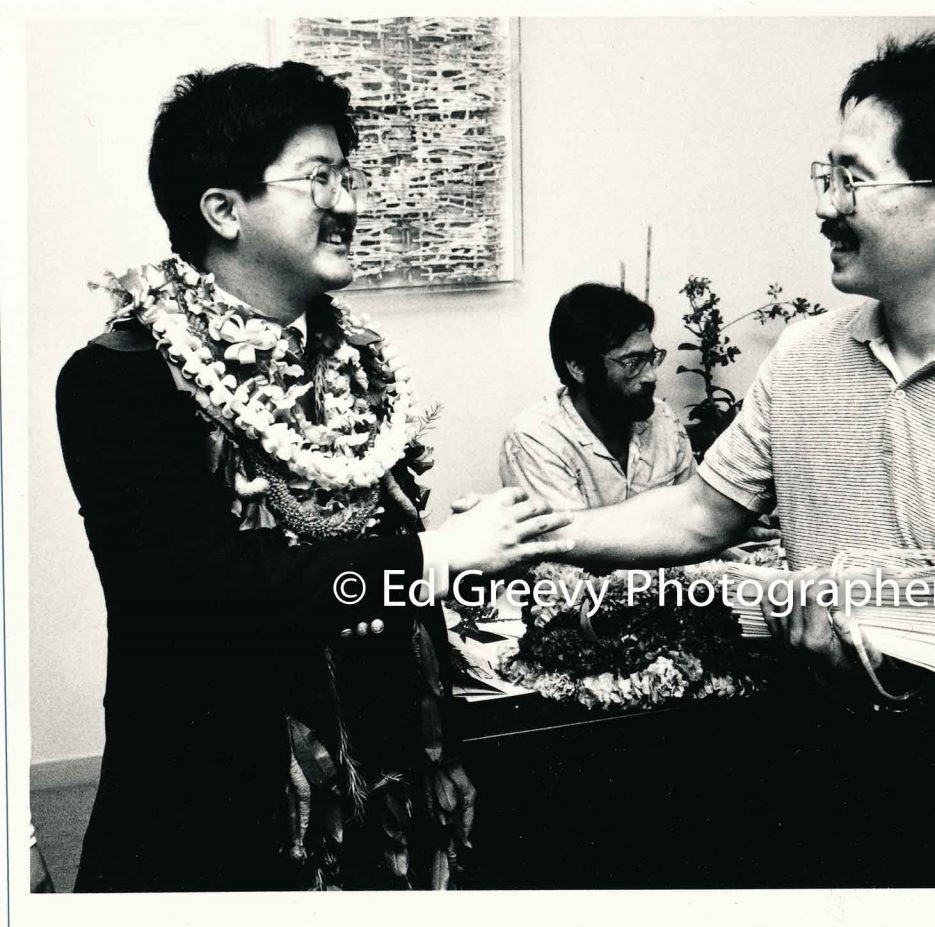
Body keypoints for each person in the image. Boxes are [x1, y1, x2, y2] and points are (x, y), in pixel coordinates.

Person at [550, 32, 935, 887]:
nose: (825, 205)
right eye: (823, 176)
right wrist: (542, 532)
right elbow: (702, 511)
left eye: (852, 178)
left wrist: (877, 674)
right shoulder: (805, 356)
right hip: (814, 762)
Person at [56, 61, 571, 892]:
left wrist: (445, 747)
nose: (351, 203)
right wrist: (433, 559)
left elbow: (387, 568)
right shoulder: (121, 379)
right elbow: (201, 589)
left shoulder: (359, 367)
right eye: (318, 178)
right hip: (222, 810)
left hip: (384, 792)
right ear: (222, 209)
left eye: (350, 175)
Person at [499, 283, 695, 510]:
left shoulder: (663, 419)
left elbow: (698, 514)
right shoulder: (535, 437)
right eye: (632, 362)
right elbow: (571, 542)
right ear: (579, 368)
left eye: (651, 357)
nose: (650, 376)